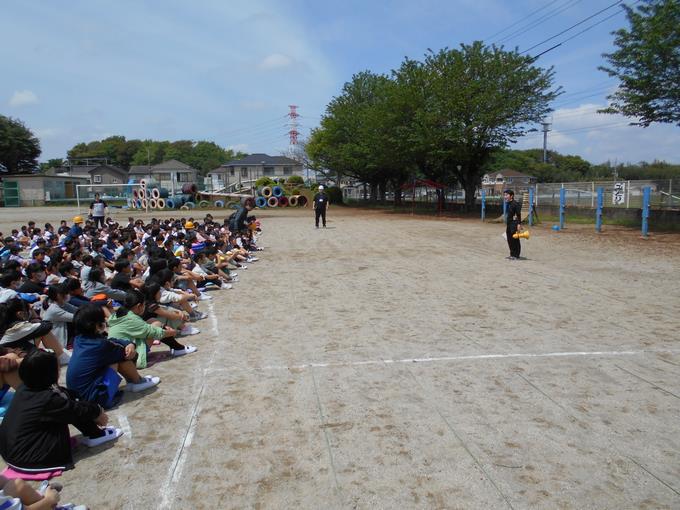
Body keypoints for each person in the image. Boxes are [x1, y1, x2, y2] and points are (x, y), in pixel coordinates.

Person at [0, 349, 122, 474]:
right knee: (68, 409)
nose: (59, 371)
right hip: (28, 459)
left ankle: (94, 433)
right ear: (49, 374)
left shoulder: (27, 387)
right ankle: (96, 435)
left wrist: (89, 406)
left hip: (9, 451)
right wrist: (97, 411)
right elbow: (74, 410)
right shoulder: (47, 399)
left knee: (65, 400)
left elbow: (68, 397)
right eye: (57, 368)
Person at [503, 189, 522, 260]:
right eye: (504, 195)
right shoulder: (508, 203)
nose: (505, 196)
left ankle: (516, 255)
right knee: (509, 239)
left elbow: (519, 215)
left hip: (514, 224)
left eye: (506, 195)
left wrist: (519, 224)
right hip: (509, 224)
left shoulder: (515, 204)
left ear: (511, 196)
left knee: (515, 239)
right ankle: (512, 254)